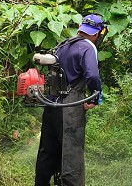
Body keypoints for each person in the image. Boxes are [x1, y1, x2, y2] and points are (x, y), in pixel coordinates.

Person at [35, 14, 107, 186]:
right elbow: (92, 75)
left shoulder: (64, 44)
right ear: (97, 33)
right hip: (70, 108)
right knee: (71, 156)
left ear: (81, 28)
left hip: (51, 104)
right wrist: (95, 96)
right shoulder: (87, 47)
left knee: (48, 150)